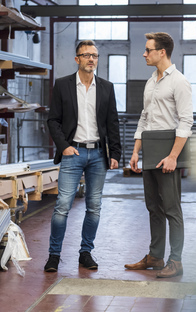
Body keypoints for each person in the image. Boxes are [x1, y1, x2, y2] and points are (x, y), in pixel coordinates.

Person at [44, 40, 121, 272]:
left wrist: (115, 153)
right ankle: (54, 255)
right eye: (86, 55)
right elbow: (53, 120)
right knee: (62, 206)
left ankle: (85, 252)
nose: (91, 59)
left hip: (98, 154)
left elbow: (112, 122)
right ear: (77, 59)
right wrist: (64, 146)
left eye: (95, 56)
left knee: (94, 206)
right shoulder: (63, 85)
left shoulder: (106, 87)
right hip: (73, 152)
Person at [124, 32, 194, 278]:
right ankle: (155, 256)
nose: (144, 53)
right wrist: (135, 150)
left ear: (161, 51)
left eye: (148, 50)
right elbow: (145, 117)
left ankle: (176, 260)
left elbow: (186, 122)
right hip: (150, 148)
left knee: (172, 208)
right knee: (153, 206)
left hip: (168, 149)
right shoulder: (151, 82)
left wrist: (173, 156)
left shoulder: (179, 81)